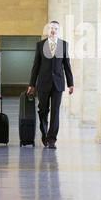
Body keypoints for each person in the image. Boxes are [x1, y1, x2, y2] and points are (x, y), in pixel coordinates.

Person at [28, 21, 74, 149]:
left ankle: (52, 138)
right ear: (48, 30)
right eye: (51, 28)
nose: (53, 31)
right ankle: (44, 134)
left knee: (55, 110)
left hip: (58, 84)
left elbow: (66, 65)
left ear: (58, 31)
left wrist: (71, 83)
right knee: (43, 110)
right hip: (43, 83)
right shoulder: (40, 45)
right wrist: (32, 84)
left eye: (56, 29)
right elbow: (35, 66)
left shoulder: (63, 45)